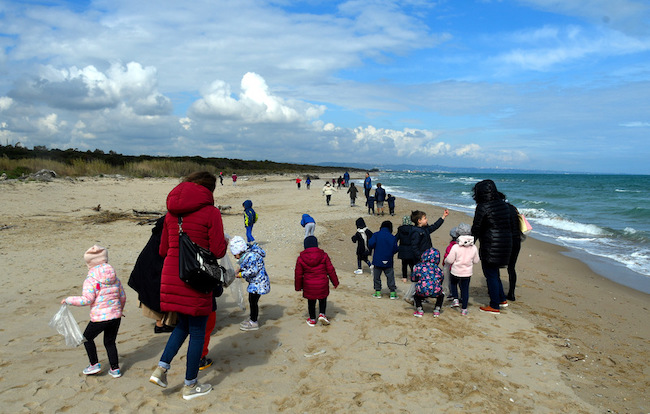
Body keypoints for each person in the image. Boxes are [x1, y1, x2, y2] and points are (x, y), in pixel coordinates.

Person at [149, 171, 227, 400]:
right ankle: (190, 385)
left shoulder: (171, 213)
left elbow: (162, 250)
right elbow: (218, 250)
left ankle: (161, 369)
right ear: (209, 190)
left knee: (181, 326)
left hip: (172, 276)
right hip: (195, 278)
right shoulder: (211, 212)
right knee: (197, 332)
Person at [63, 245, 126, 378]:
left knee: (86, 338)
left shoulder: (90, 280)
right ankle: (115, 369)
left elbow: (87, 299)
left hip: (100, 317)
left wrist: (69, 300)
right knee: (110, 342)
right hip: (115, 316)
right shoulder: (115, 278)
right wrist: (120, 309)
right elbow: (122, 296)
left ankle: (94, 364)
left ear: (89, 264)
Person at [128, 215, 176, 334]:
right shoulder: (173, 223)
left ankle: (161, 323)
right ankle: (161, 324)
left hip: (148, 263)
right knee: (161, 292)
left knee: (156, 292)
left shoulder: (165, 221)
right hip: (157, 265)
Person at [471, 179, 513, 314]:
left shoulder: (483, 207)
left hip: (490, 244)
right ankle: (501, 299)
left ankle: (494, 305)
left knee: (490, 274)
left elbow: (476, 227)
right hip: (506, 243)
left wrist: (470, 242)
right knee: (495, 273)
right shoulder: (504, 205)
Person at [295, 236, 339, 326]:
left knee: (311, 302)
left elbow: (298, 274)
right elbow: (330, 270)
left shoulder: (301, 258)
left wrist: (298, 287)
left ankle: (312, 319)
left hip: (309, 285)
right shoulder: (324, 255)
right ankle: (322, 314)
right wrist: (335, 282)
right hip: (322, 283)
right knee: (322, 299)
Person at [229, 236, 271, 331]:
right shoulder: (248, 254)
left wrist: (240, 274)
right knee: (252, 301)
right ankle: (253, 317)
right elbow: (247, 265)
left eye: (235, 254)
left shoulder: (252, 256)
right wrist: (240, 269)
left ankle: (254, 322)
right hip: (256, 283)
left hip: (258, 284)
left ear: (239, 251)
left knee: (253, 302)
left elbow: (253, 270)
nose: (235, 256)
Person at [445, 225, 480, 316]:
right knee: (465, 290)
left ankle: (455, 299)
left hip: (456, 271)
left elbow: (450, 260)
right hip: (467, 273)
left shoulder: (456, 247)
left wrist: (446, 261)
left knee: (453, 283)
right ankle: (464, 309)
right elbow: (476, 260)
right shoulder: (473, 247)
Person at [368, 221, 399, 299]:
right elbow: (395, 249)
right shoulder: (392, 237)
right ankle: (392, 292)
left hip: (377, 259)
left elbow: (371, 244)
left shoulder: (376, 235)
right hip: (388, 259)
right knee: (390, 276)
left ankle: (378, 292)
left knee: (377, 276)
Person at [411, 247, 445, 318]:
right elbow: (441, 279)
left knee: (416, 295)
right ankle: (437, 309)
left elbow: (413, 278)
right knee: (441, 295)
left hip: (422, 290)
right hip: (436, 291)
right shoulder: (438, 269)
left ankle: (419, 309)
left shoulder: (419, 267)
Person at [501, 192, 522, 301]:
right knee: (511, 267)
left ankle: (498, 291)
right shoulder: (514, 208)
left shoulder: (501, 209)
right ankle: (511, 293)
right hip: (517, 240)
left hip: (506, 241)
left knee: (496, 266)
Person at [396, 215, 416, 304]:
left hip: (403, 249)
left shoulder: (400, 229)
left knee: (404, 264)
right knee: (412, 264)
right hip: (411, 249)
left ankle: (404, 278)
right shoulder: (413, 229)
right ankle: (413, 277)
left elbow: (396, 238)